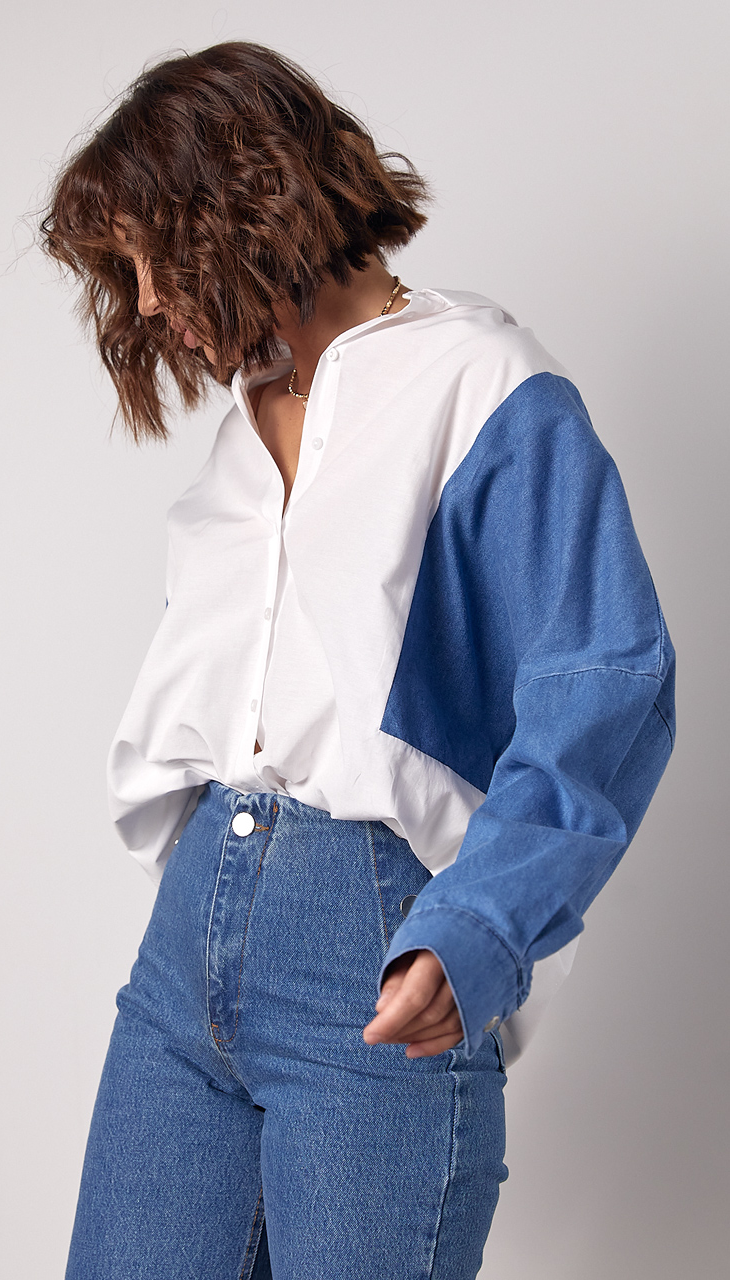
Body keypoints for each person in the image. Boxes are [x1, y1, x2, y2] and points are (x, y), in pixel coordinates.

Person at [39, 40, 676, 1280]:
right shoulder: (244, 422)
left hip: (370, 946)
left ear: (238, 203)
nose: (149, 301)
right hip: (185, 959)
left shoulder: (482, 383)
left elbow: (605, 681)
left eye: (153, 255)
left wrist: (479, 924)